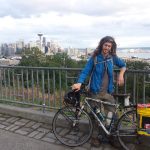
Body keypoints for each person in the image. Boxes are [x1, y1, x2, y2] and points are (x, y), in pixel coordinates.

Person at [72, 36, 126, 147]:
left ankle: (112, 136)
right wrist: (79, 82)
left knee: (112, 115)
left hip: (108, 92)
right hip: (94, 92)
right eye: (105, 45)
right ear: (102, 45)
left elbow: (123, 65)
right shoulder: (95, 58)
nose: (107, 47)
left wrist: (121, 74)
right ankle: (94, 138)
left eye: (109, 46)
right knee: (95, 116)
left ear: (111, 47)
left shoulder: (113, 57)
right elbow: (85, 71)